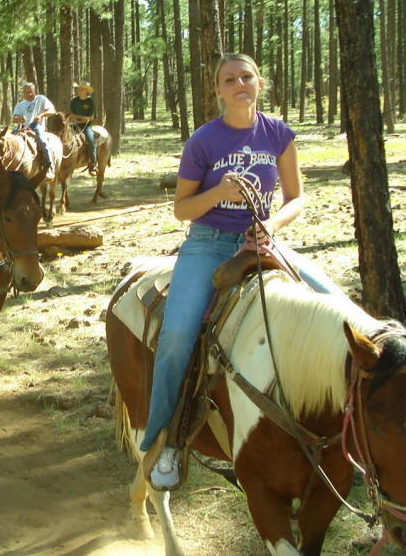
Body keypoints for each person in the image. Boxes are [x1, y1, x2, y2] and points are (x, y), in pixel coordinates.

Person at [143, 53, 341, 490]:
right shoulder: (203, 141)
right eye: (229, 79)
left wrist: (270, 224)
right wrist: (218, 192)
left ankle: (345, 434)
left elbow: (296, 198)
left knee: (334, 307)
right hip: (208, 246)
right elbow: (181, 210)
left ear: (260, 83)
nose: (239, 84)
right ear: (218, 90)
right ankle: (168, 440)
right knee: (177, 337)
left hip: (263, 245)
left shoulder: (278, 134)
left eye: (246, 77)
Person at [11, 82, 56, 176]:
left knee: (42, 141)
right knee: (9, 140)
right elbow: (14, 119)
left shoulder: (41, 99)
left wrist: (41, 115)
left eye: (31, 92)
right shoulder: (20, 105)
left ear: (35, 91)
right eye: (27, 92)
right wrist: (20, 118)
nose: (29, 94)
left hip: (36, 126)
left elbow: (52, 111)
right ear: (23, 93)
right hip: (22, 127)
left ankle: (48, 167)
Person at [67, 80, 98, 174]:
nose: (79, 90)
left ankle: (93, 164)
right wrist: (82, 118)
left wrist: (81, 118)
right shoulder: (74, 101)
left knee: (91, 141)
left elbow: (91, 117)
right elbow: (71, 114)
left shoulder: (90, 101)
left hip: (86, 126)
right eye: (79, 89)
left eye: (82, 89)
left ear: (86, 90)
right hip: (74, 125)